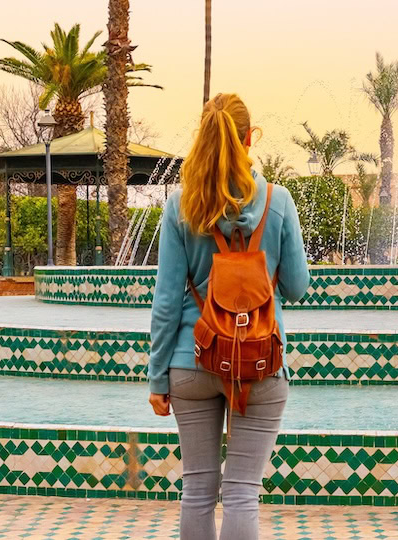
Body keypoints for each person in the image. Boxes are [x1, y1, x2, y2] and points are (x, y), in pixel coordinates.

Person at [149, 93, 309, 540]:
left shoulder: (182, 204)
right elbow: (297, 288)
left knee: (197, 491)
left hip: (191, 359)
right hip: (259, 363)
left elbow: (165, 302)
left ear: (205, 138)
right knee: (241, 494)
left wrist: (157, 379)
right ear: (248, 138)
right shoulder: (279, 202)